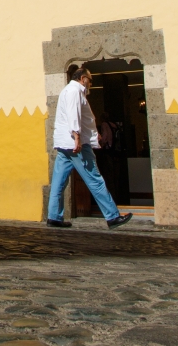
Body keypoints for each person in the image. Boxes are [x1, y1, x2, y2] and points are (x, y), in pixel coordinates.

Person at [47, 66, 132, 229]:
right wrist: (77, 137)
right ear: (82, 78)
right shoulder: (74, 91)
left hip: (66, 144)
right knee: (95, 178)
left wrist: (94, 134)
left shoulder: (70, 91)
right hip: (75, 144)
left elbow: (83, 118)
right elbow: (74, 115)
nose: (91, 83)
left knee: (58, 182)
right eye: (90, 79)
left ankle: (54, 216)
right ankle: (112, 216)